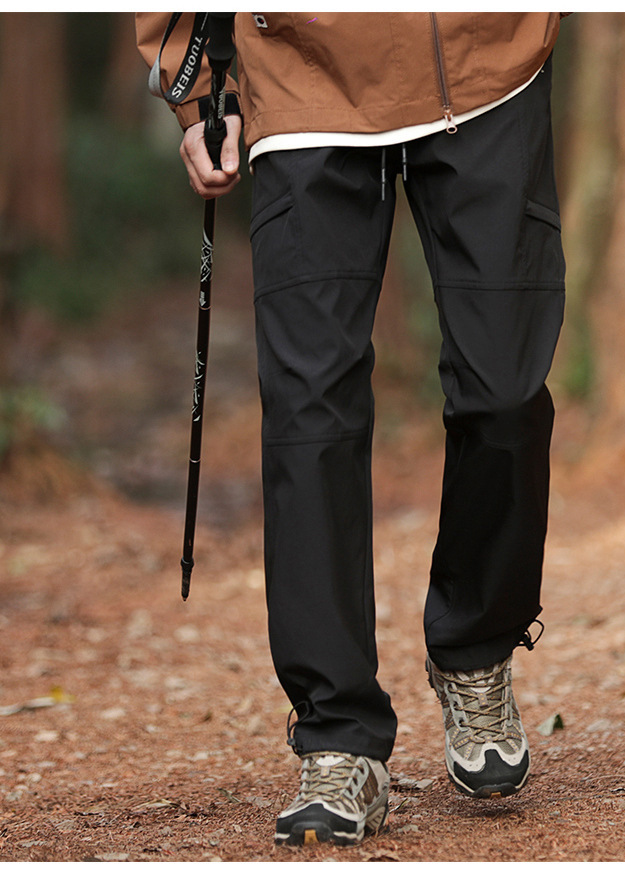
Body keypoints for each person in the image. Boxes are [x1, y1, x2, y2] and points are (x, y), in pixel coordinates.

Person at [137, 11, 568, 847]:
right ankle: (338, 737)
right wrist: (195, 80)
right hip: (303, 72)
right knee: (310, 412)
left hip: (488, 61)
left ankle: (476, 642)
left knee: (506, 389)